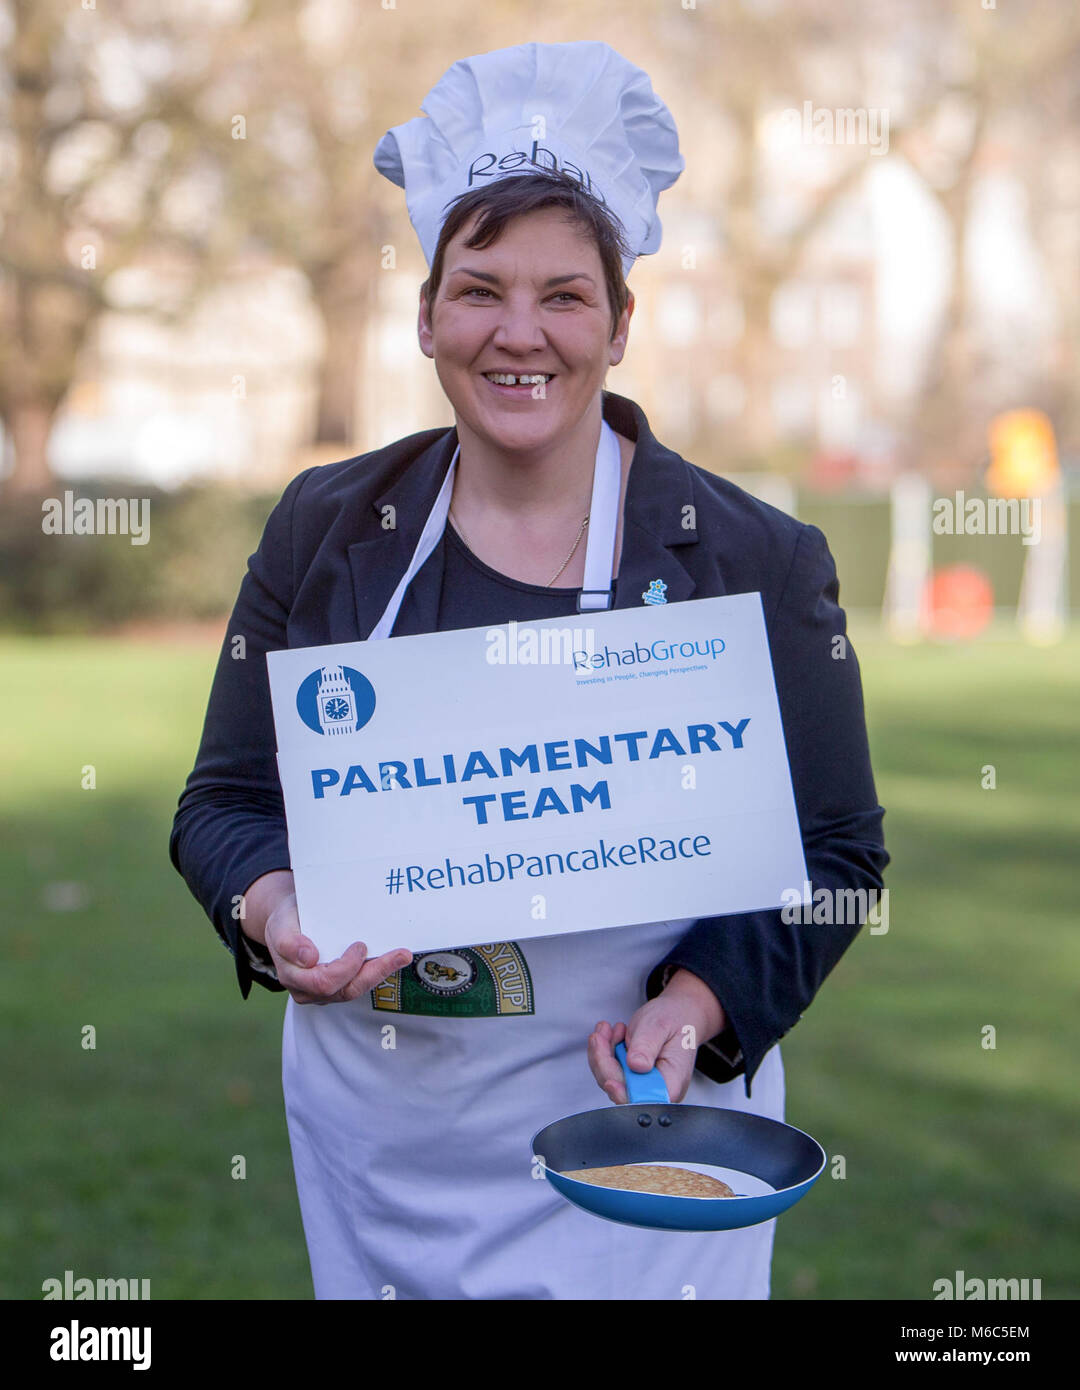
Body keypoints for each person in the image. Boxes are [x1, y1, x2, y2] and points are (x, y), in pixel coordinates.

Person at [169, 40, 889, 1300]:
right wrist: (273, 910)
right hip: (383, 1144)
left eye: (563, 295)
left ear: (619, 321)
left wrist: (702, 1005)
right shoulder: (325, 529)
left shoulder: (754, 560)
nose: (520, 334)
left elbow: (837, 855)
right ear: (427, 316)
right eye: (480, 288)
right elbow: (224, 804)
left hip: (639, 1145)